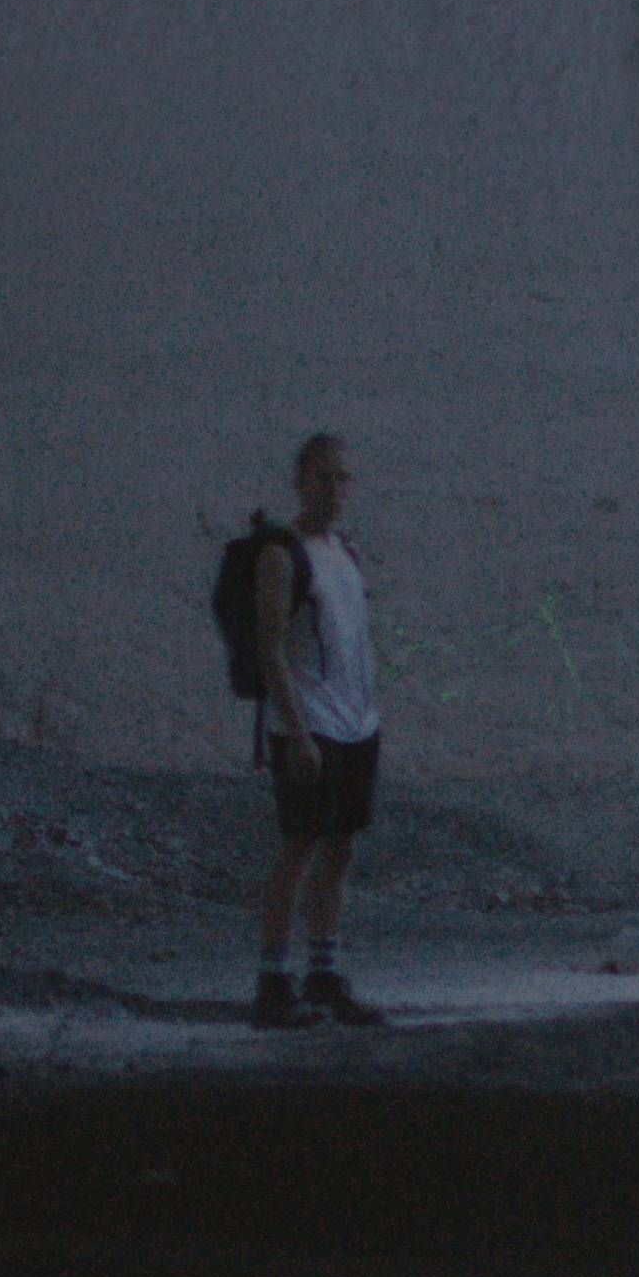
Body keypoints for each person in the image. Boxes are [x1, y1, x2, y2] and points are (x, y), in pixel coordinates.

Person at [249, 428, 379, 1027]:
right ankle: (273, 984)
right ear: (301, 481)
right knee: (298, 849)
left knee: (340, 849)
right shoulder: (282, 554)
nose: (332, 488)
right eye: (321, 476)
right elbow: (269, 647)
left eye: (341, 477)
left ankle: (322, 974)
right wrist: (297, 734)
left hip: (354, 723)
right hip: (309, 725)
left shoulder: (345, 551)